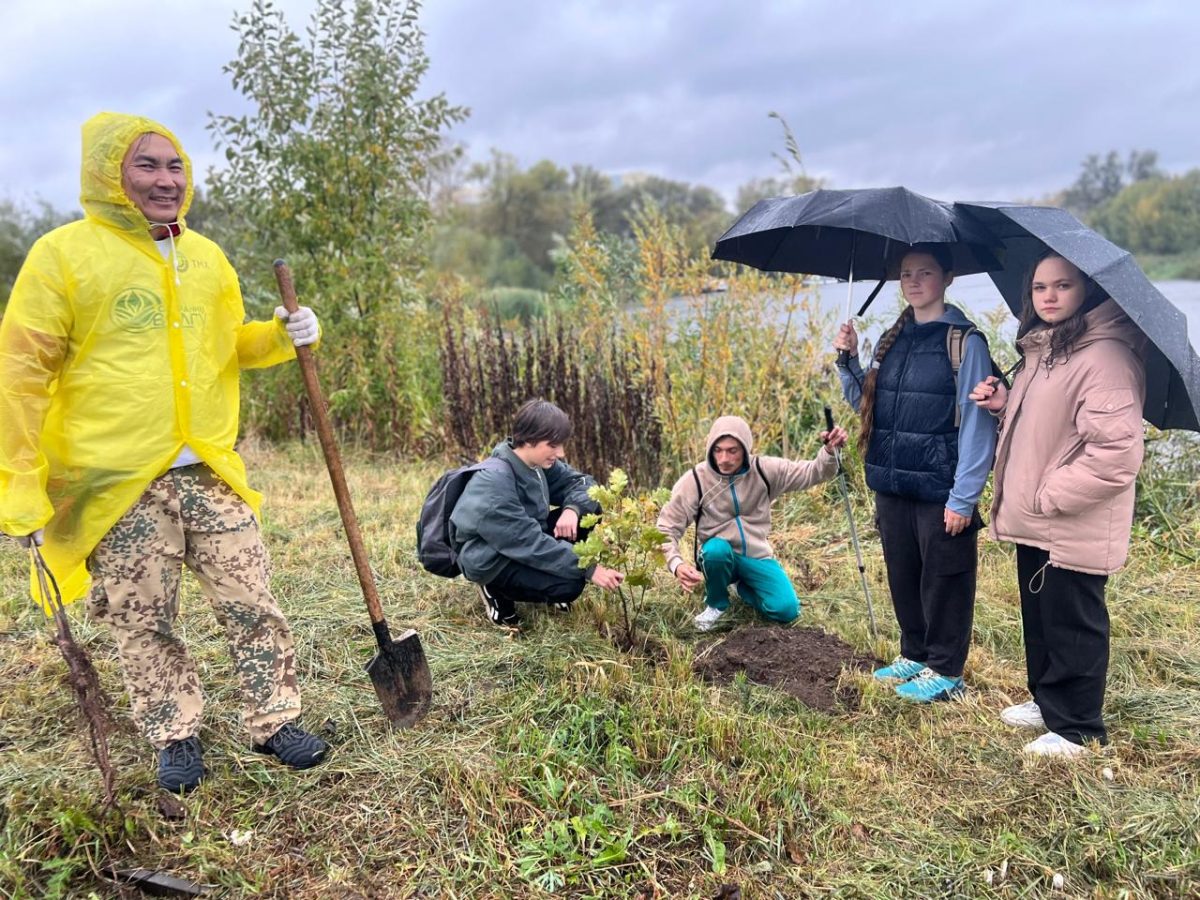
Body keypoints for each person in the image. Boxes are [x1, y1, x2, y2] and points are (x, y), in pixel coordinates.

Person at [0, 112, 329, 793]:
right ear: (107, 174)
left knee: (253, 600)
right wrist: (20, 483)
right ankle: (175, 733)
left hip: (208, 471)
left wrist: (280, 334)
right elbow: (19, 377)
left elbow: (227, 345)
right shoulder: (62, 256)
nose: (164, 180)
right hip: (117, 482)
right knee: (143, 620)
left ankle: (274, 720)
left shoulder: (206, 258)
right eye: (146, 165)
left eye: (174, 165)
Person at [970, 251, 1145, 757]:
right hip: (1038, 518)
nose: (1048, 296)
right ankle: (1049, 702)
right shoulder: (1047, 352)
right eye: (1040, 287)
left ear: (1087, 290)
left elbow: (1116, 454)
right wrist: (1005, 405)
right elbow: (1050, 430)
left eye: (1062, 286)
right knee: (1042, 617)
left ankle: (1078, 727)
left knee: (1073, 622)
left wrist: (1052, 495)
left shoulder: (1105, 356)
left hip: (1070, 519)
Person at [833, 244, 999, 702]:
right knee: (903, 573)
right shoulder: (894, 336)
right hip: (892, 482)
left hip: (939, 488)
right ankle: (915, 652)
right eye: (906, 273)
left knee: (944, 579)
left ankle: (946, 671)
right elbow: (869, 409)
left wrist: (963, 498)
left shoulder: (965, 342)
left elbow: (978, 426)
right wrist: (847, 362)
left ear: (947, 278)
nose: (913, 280)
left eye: (925, 272)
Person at [656, 415, 849, 632]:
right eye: (717, 450)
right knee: (716, 551)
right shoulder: (696, 480)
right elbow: (666, 527)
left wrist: (830, 452)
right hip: (718, 556)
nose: (724, 459)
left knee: (786, 610)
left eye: (732, 451)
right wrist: (676, 564)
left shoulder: (765, 470)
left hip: (756, 555)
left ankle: (742, 587)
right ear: (710, 449)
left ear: (745, 449)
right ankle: (716, 604)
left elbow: (813, 472)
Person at [450, 399, 624, 627]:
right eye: (553, 445)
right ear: (530, 440)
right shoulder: (493, 485)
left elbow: (584, 485)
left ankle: (544, 585)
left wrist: (572, 510)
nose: (560, 453)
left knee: (587, 513)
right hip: (491, 558)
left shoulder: (536, 464)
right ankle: (494, 591)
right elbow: (528, 542)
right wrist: (588, 569)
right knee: (569, 585)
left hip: (526, 537)